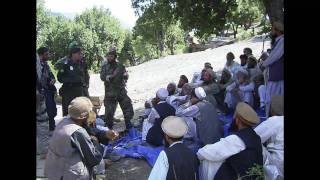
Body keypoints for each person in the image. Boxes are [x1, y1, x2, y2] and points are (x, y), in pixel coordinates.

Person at [45, 97, 117, 180]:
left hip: (54, 170)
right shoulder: (78, 132)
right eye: (90, 112)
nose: (92, 114)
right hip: (67, 174)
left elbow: (89, 130)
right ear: (83, 116)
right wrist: (95, 142)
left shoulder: (64, 121)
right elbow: (93, 158)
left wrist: (105, 134)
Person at [197, 102, 263, 180]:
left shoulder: (237, 139)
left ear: (237, 120)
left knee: (208, 160)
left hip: (240, 176)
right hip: (252, 175)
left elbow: (211, 153)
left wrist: (198, 154)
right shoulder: (255, 136)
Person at [100, 49, 134, 131]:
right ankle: (109, 129)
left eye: (111, 56)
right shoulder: (105, 66)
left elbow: (125, 75)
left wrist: (126, 76)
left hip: (121, 91)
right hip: (110, 93)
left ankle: (129, 124)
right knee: (109, 113)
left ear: (115, 57)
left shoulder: (120, 66)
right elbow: (102, 77)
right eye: (108, 56)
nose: (109, 58)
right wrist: (107, 77)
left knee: (127, 107)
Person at [54, 41, 90, 116]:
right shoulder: (65, 64)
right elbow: (60, 78)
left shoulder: (82, 63)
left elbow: (86, 75)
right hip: (69, 92)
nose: (81, 55)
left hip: (81, 91)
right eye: (79, 54)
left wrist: (86, 85)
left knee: (82, 112)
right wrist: (71, 80)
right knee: (68, 113)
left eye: (81, 53)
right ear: (73, 54)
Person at [254, 95, 283, 180]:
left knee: (253, 143)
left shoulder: (274, 120)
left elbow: (254, 136)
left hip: (279, 164)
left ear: (272, 108)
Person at [262, 22, 284, 117]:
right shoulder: (278, 41)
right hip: (275, 74)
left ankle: (272, 119)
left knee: (272, 99)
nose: (271, 31)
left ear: (277, 30)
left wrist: (264, 62)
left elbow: (275, 56)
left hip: (278, 75)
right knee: (271, 99)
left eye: (273, 29)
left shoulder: (282, 40)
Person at [37, 47, 57, 132]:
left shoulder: (45, 64)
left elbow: (51, 75)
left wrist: (52, 79)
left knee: (51, 110)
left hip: (47, 91)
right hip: (39, 92)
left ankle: (52, 128)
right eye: (46, 54)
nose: (48, 56)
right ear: (41, 55)